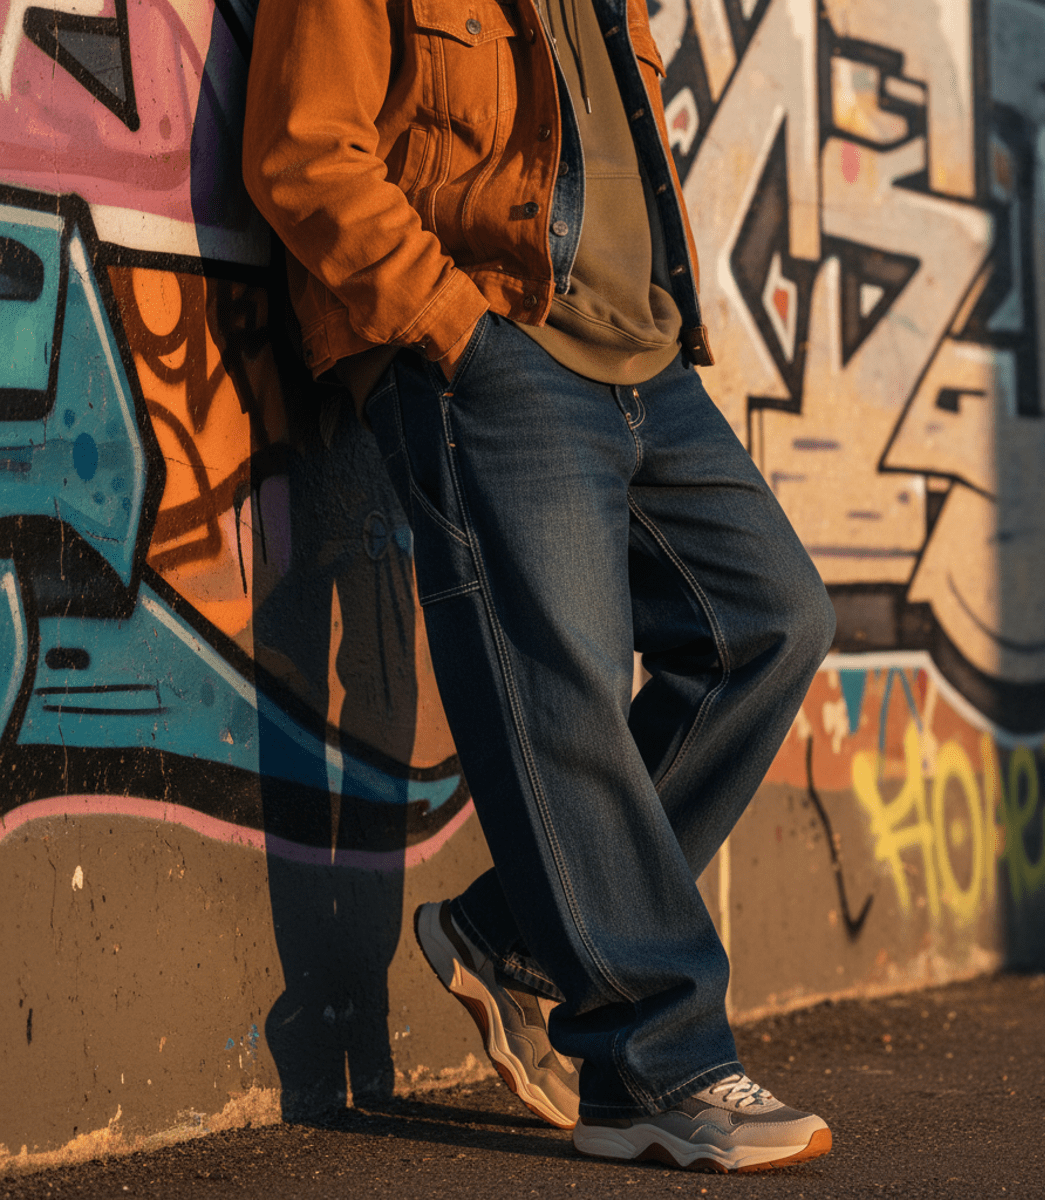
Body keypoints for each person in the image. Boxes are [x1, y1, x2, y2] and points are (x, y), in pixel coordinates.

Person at [243, 0, 836, 1172]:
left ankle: (511, 932)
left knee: (771, 624)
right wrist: (452, 330)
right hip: (496, 347)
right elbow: (303, 148)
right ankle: (650, 1066)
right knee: (561, 690)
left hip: (648, 362)